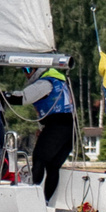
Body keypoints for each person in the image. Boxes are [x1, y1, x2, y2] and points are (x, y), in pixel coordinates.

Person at [17, 66, 76, 202]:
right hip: (69, 128)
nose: (25, 74)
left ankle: (33, 200)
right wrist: (43, 127)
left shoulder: (44, 82)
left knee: (39, 159)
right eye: (23, 70)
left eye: (27, 70)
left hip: (58, 127)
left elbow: (22, 98)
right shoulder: (59, 80)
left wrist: (0, 95)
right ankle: (46, 202)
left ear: (36, 69)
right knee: (52, 166)